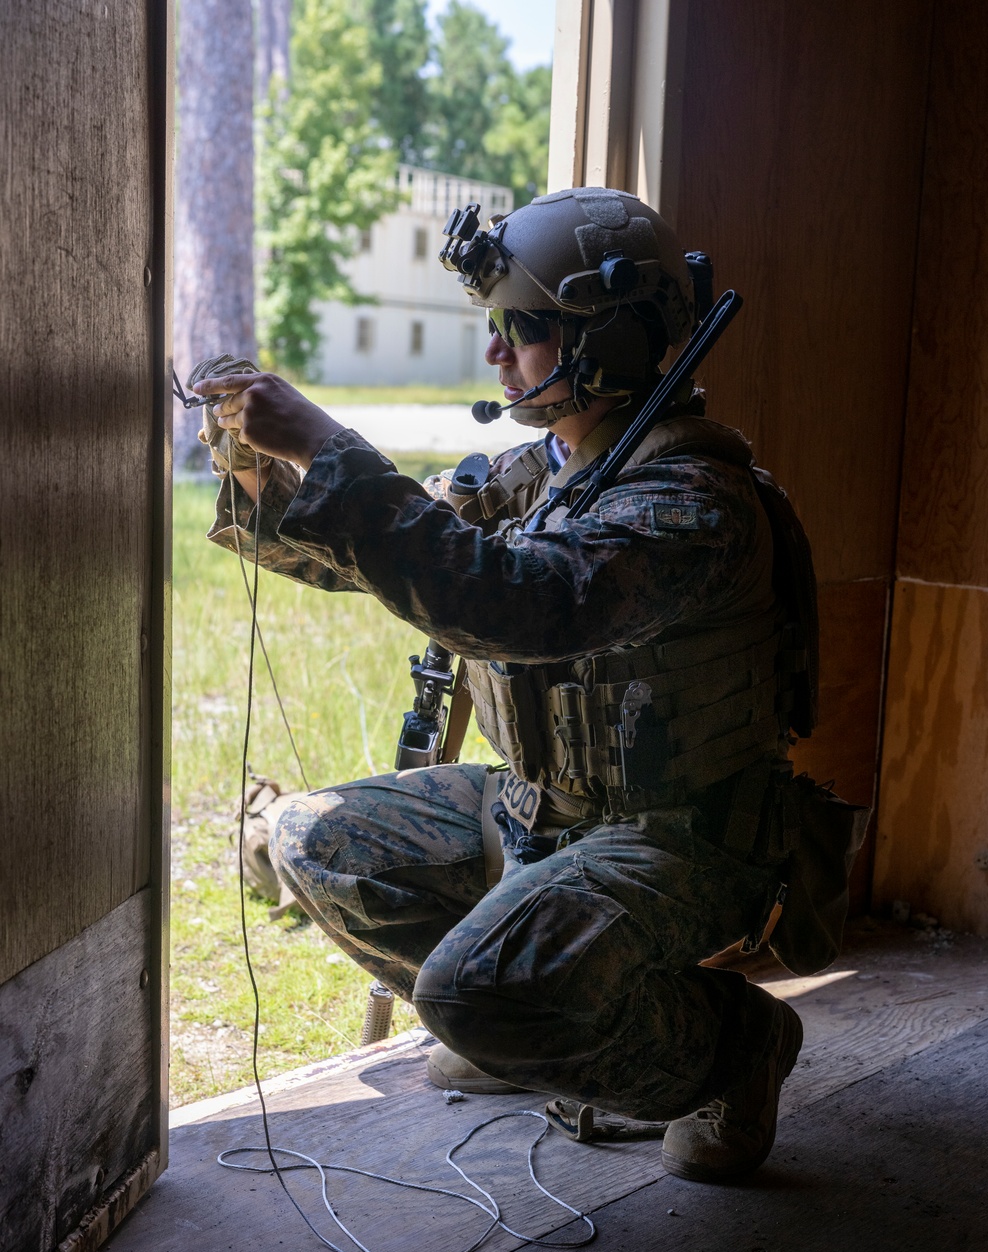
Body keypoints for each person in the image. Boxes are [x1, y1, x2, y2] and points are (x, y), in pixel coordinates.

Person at [194, 186, 813, 1184]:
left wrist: (325, 442)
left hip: (678, 841)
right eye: (497, 329)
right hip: (537, 814)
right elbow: (374, 550)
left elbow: (525, 604)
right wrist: (263, 467)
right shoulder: (548, 472)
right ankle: (528, 1011)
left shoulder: (691, 502)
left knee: (479, 992)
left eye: (521, 331)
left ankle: (731, 1047)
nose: (496, 355)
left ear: (607, 340)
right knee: (319, 843)